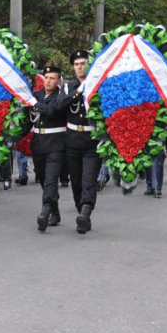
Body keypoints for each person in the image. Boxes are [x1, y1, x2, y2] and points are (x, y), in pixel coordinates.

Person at [61, 50, 102, 234]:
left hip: (92, 140)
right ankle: (81, 211)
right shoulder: (68, 87)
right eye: (76, 64)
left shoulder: (98, 85)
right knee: (76, 181)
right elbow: (58, 106)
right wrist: (77, 93)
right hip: (72, 140)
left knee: (88, 180)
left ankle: (86, 211)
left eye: (83, 63)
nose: (80, 67)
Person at [30, 66, 68, 232]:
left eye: (52, 78)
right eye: (46, 77)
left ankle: (45, 211)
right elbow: (28, 119)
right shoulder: (36, 96)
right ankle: (55, 210)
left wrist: (37, 106)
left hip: (56, 144)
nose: (48, 81)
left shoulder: (62, 97)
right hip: (39, 143)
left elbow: (53, 111)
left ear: (58, 81)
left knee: (51, 179)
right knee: (44, 180)